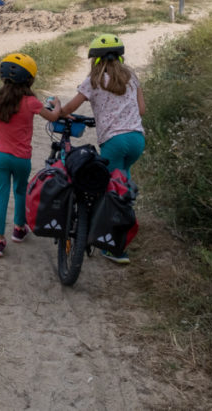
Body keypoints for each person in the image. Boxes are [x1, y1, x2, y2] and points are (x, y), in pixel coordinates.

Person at [57, 33, 145, 265]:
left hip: (114, 142)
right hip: (137, 140)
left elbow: (69, 108)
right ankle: (120, 229)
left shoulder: (93, 81)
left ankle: (113, 246)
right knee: (122, 181)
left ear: (95, 60)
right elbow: (142, 110)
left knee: (109, 191)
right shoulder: (132, 78)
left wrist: (57, 107)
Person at [0, 54, 61, 257]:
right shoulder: (32, 102)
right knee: (20, 192)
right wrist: (57, 104)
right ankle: (19, 230)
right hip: (21, 158)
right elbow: (54, 116)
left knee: (0, 196)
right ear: (29, 79)